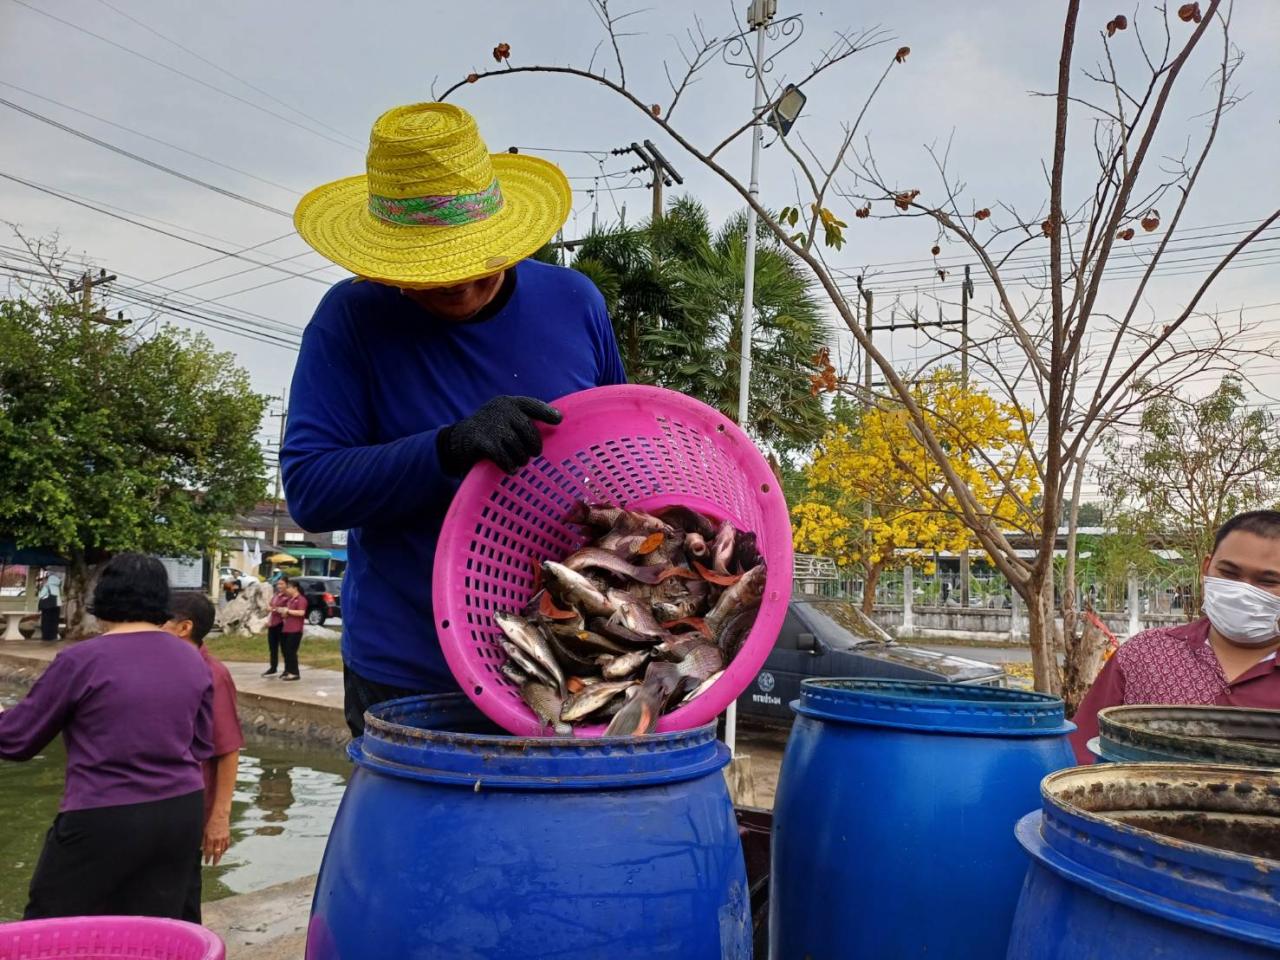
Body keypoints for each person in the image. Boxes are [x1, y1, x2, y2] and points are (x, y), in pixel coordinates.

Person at [282, 102, 625, 736]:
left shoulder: (574, 302)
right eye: (435, 276)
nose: (463, 290)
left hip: (570, 659)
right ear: (387, 262)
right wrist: (446, 449)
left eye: (477, 265)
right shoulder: (351, 320)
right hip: (412, 670)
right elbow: (311, 488)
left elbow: (619, 452)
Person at [0, 553, 213, 919]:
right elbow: (201, 743)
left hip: (103, 812)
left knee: (54, 925)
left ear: (103, 597)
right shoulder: (193, 660)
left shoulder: (81, 659)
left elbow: (17, 740)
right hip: (181, 812)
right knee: (155, 927)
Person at [1070, 510, 1280, 762]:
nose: (1243, 592)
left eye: (1268, 581)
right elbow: (1079, 756)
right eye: (1230, 573)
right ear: (1207, 567)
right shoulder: (1144, 654)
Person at [164, 590, 243, 922]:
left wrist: (218, 818)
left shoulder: (212, 674)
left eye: (160, 621)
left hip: (190, 806)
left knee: (181, 899)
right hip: (163, 806)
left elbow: (227, 750)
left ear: (184, 628)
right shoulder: (162, 667)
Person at [279, 578, 307, 681]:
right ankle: (287, 670)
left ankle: (294, 672)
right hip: (286, 628)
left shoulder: (301, 599)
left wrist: (289, 611)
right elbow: (288, 612)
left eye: (289, 587)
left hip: (295, 630)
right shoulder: (290, 600)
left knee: (291, 651)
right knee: (285, 651)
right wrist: (284, 612)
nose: (287, 590)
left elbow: (301, 612)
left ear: (295, 588)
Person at [264, 577, 289, 677]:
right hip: (272, 624)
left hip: (282, 624)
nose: (279, 586)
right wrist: (269, 609)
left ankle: (287, 668)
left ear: (287, 585)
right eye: (278, 584)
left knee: (284, 648)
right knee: (272, 648)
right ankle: (273, 667)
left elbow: (286, 610)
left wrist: (275, 609)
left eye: (282, 584)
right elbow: (270, 606)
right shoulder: (276, 595)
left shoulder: (287, 596)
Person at [36, 568, 61, 641]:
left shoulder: (47, 586)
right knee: (54, 621)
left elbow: (41, 596)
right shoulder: (57, 586)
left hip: (47, 607)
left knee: (46, 621)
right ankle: (53, 636)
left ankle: (47, 636)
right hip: (56, 605)